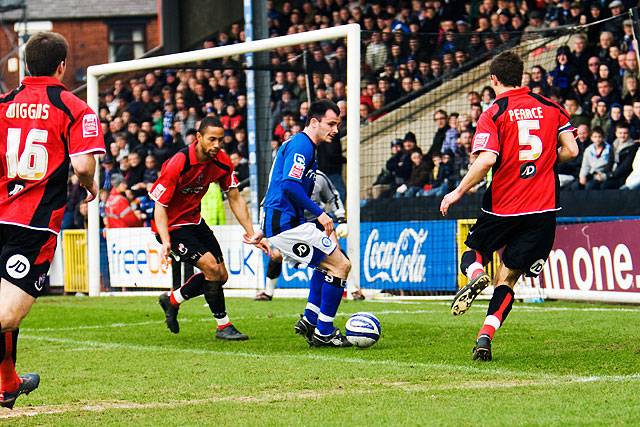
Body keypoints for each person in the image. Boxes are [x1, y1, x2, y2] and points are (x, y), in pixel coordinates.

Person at [440, 52, 579, 361]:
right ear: (522, 77)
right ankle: (485, 336)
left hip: (504, 204)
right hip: (543, 208)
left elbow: (487, 158)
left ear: (493, 80)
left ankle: (476, 273)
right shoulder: (551, 107)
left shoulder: (495, 112)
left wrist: (458, 192)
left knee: (473, 251)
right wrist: (546, 159)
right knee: (508, 279)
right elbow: (572, 149)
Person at [0, 32, 105, 408]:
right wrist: (91, 185)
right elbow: (82, 163)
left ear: (27, 64)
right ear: (62, 66)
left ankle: (8, 384)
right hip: (34, 223)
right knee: (8, 312)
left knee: (7, 312)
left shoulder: (3, 103)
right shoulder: (74, 108)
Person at [151, 116, 268, 340]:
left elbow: (234, 198)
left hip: (195, 221)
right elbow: (160, 205)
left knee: (221, 276)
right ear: (198, 138)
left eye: (220, 140)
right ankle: (224, 327)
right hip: (172, 226)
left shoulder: (222, 161)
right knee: (211, 270)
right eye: (211, 139)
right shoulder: (179, 162)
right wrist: (166, 240)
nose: (216, 145)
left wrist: (252, 233)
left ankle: (172, 300)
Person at [261, 100, 352, 347]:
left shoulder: (304, 146)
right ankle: (324, 331)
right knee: (340, 266)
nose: (336, 129)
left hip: (285, 222)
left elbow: (280, 184)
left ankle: (311, 320)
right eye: (331, 124)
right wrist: (321, 213)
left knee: (327, 266)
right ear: (314, 122)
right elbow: (289, 185)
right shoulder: (302, 145)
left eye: (338, 124)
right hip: (286, 224)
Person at [255, 169, 364, 301]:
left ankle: (353, 289)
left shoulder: (318, 177)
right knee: (276, 256)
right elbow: (267, 204)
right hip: (292, 226)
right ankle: (268, 292)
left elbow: (333, 196)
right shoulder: (283, 180)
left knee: (336, 250)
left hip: (318, 221)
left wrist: (341, 219)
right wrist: (263, 230)